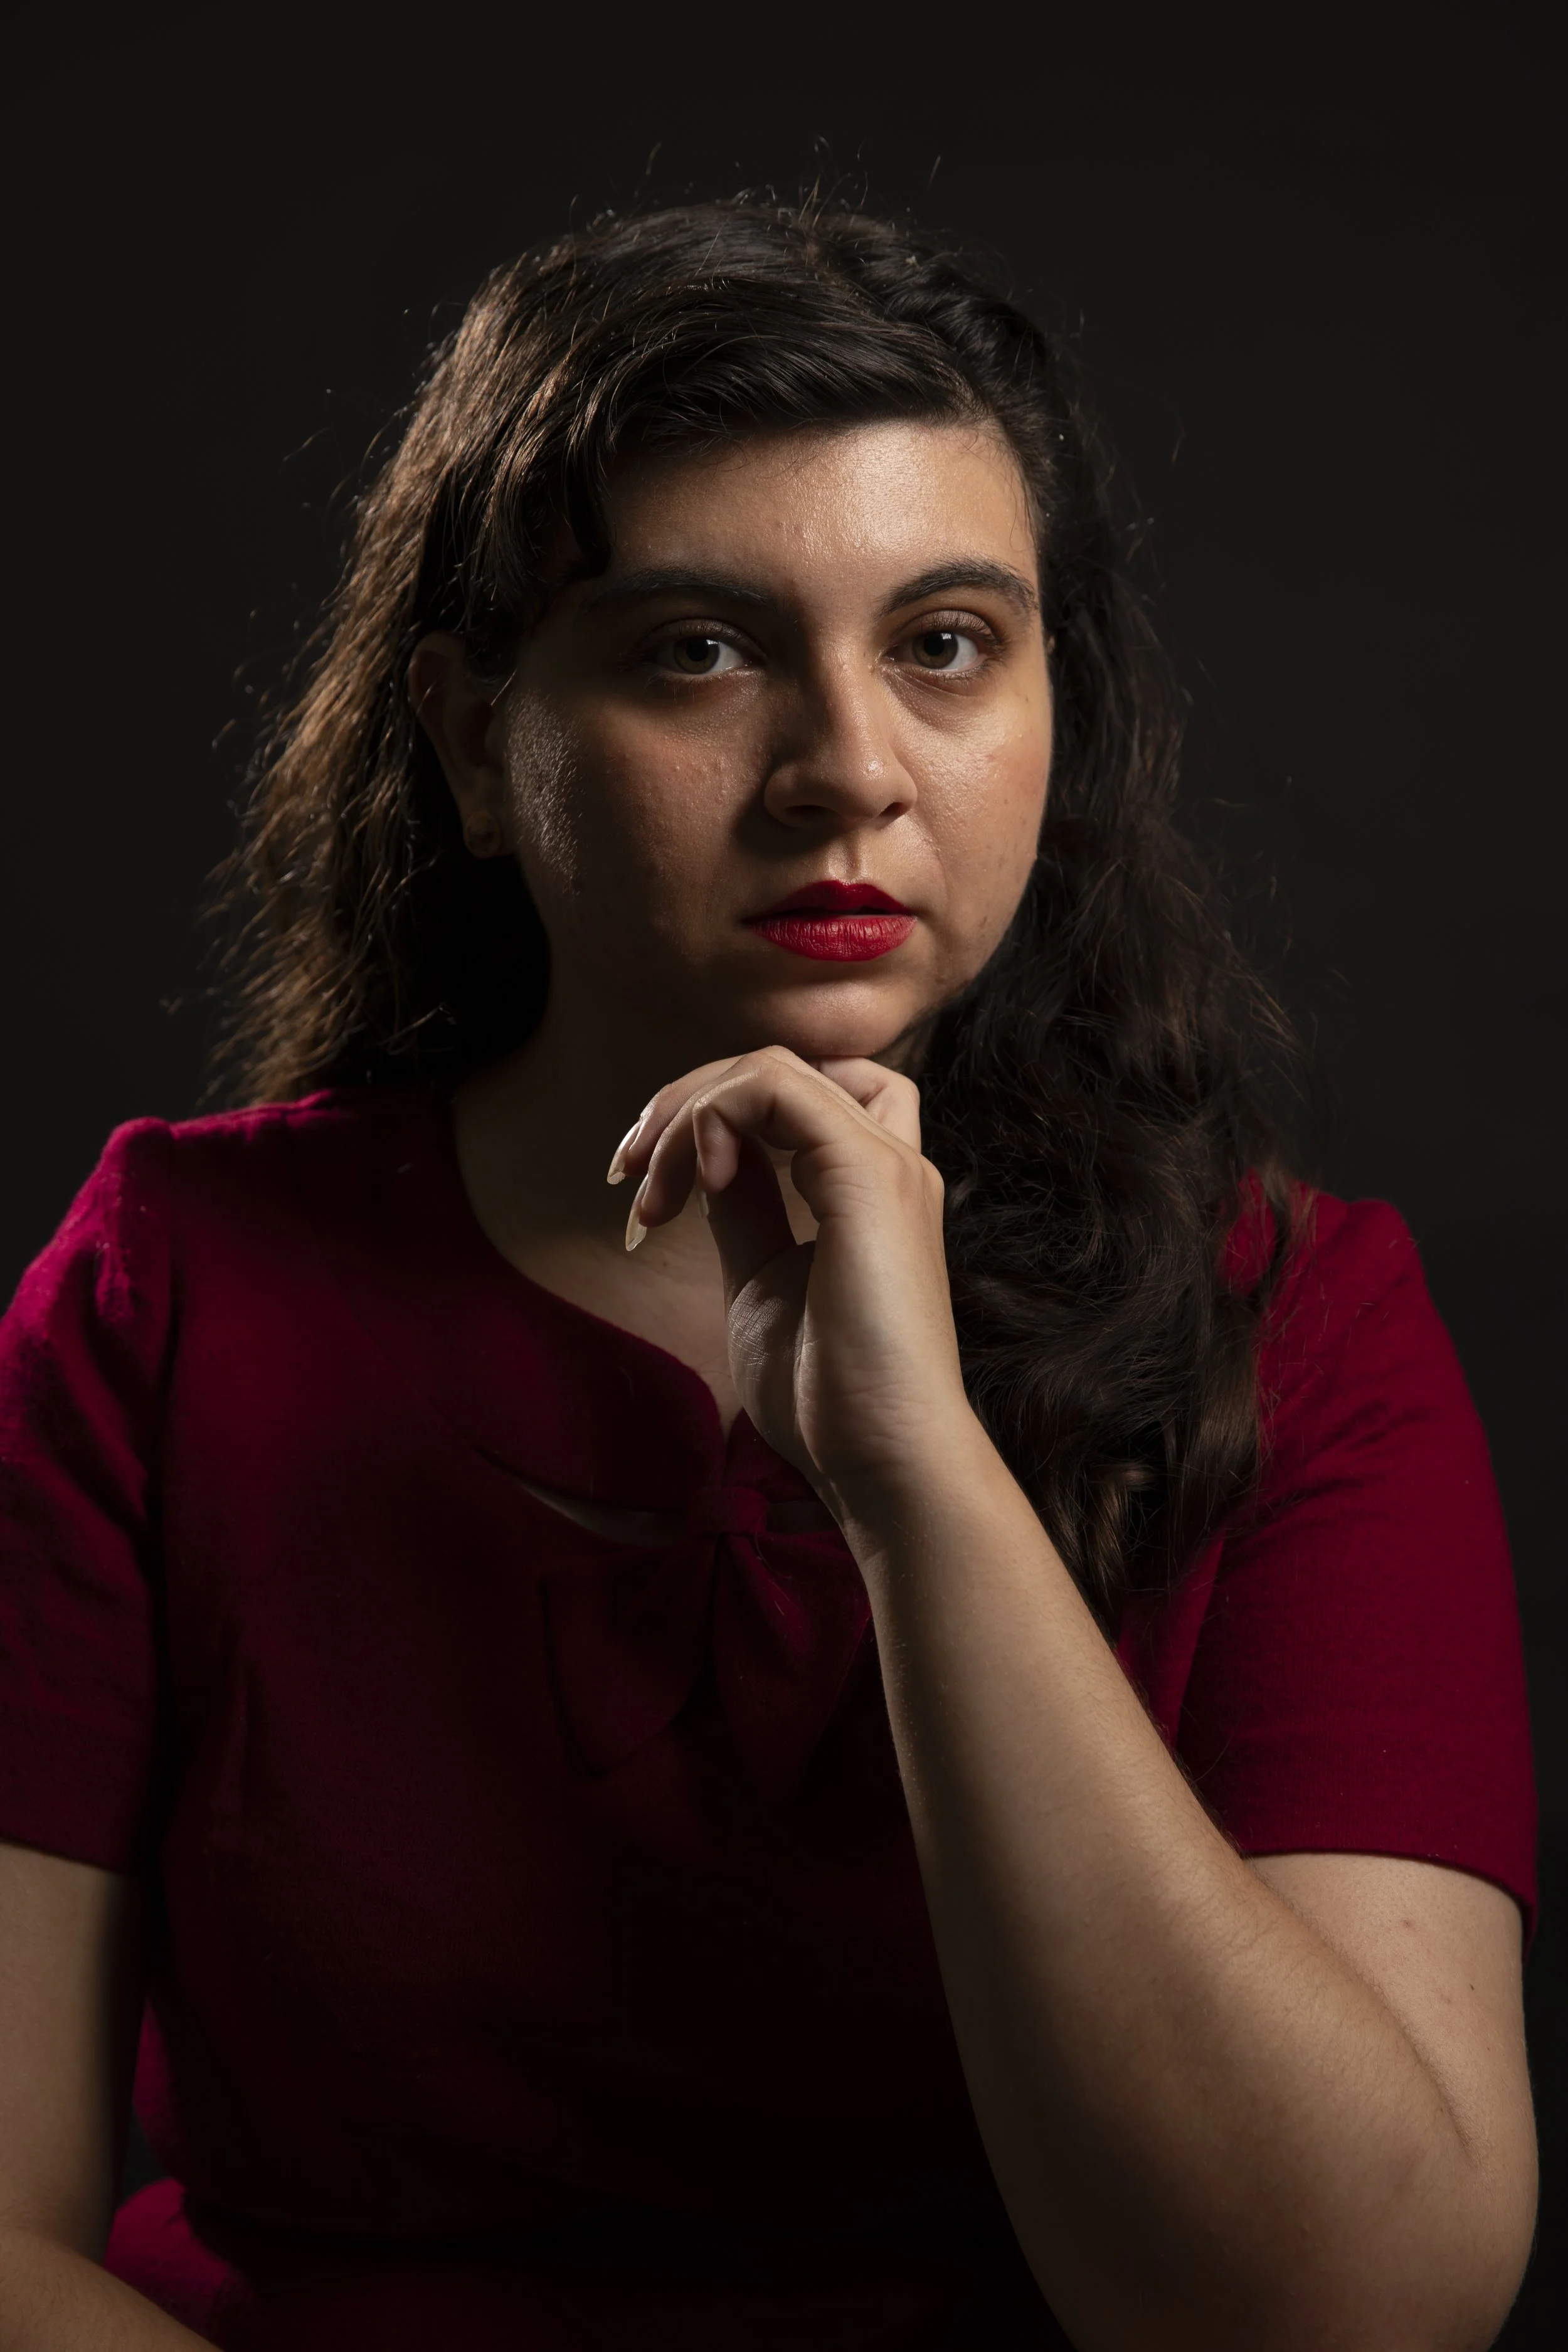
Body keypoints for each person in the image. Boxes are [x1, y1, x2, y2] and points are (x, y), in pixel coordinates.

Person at [0, 197, 1539, 2351]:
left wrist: (916, 1485)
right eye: (697, 650)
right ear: (472, 743)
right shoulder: (177, 1287)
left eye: (942, 643)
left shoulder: (1299, 1317)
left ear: (1046, 712)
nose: (847, 769)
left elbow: (1346, 2309)